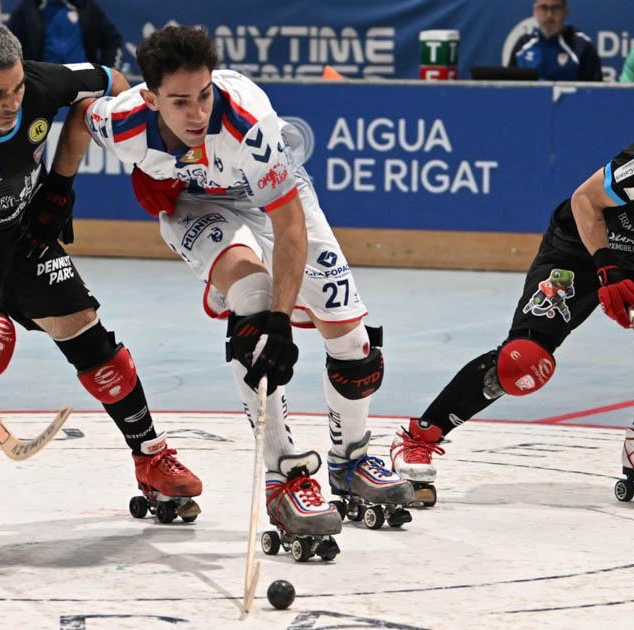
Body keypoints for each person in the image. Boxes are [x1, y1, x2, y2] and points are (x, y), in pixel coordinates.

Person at [83, 25, 414, 558]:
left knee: (354, 343)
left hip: (273, 199)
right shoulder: (121, 120)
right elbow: (82, 114)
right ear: (149, 99)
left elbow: (287, 226)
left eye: (205, 94)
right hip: (196, 206)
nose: (196, 114)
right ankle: (283, 477)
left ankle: (350, 461)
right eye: (180, 101)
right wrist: (54, 191)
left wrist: (285, 322)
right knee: (253, 299)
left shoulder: (246, 123)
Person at [0, 19, 203, 563]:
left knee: (96, 345)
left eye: (18, 89)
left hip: (25, 233)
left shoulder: (42, 83)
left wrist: (64, 182)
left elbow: (113, 86)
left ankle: (151, 458)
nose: (13, 103)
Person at [392, 80, 634, 510]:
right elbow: (585, 201)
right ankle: (419, 437)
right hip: (577, 254)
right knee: (524, 362)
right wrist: (606, 267)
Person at [7, 0, 123, 68]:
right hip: (42, 84)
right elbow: (10, 46)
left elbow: (113, 40)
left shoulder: (87, 7)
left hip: (85, 83)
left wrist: (108, 72)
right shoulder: (28, 9)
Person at [509, 0, 602, 81]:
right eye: (544, 8)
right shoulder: (522, 45)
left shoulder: (581, 46)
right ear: (535, 10)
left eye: (555, 8)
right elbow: (507, 88)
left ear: (566, 11)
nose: (549, 15)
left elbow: (594, 93)